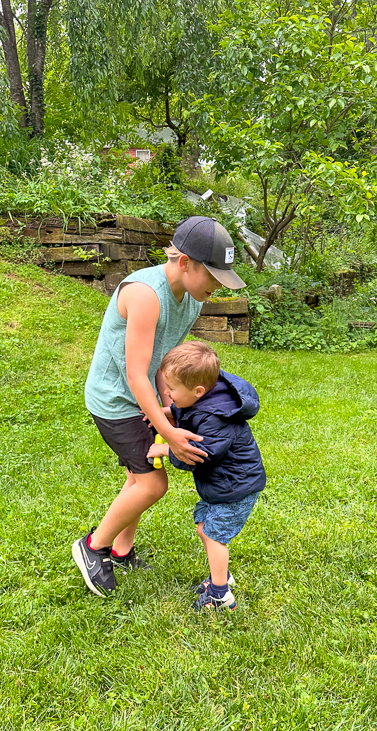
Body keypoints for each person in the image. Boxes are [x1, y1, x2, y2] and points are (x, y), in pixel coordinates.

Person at [72, 216, 246, 596]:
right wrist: (167, 431)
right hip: (116, 401)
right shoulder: (145, 296)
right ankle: (93, 546)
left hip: (143, 399)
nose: (217, 286)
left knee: (138, 477)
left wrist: (171, 409)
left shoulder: (192, 300)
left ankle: (121, 550)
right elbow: (136, 374)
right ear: (185, 263)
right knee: (153, 484)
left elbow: (163, 365)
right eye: (213, 276)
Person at [147, 341, 266, 611]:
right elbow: (188, 409)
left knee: (214, 536)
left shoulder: (217, 417)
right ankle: (220, 576)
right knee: (204, 528)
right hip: (222, 485)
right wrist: (166, 412)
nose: (167, 393)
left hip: (236, 488)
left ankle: (220, 596)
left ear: (198, 391)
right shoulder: (204, 399)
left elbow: (202, 454)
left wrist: (166, 449)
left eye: (171, 389)